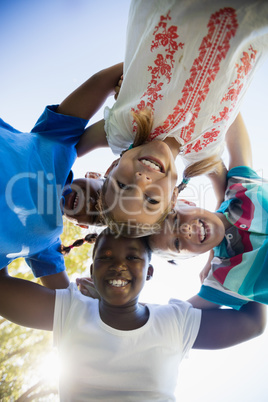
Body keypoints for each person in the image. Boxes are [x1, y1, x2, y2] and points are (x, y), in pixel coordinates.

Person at [74, 0, 268, 235]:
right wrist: (212, 249)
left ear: (112, 166)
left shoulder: (123, 127)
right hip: (250, 20)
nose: (141, 180)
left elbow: (68, 147)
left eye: (122, 185)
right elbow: (222, 195)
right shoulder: (203, 154)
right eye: (151, 200)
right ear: (173, 197)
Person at [0, 229, 266, 401]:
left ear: (149, 272)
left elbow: (253, 322)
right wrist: (39, 232)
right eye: (105, 258)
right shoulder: (71, 310)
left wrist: (232, 248)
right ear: (92, 271)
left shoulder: (174, 323)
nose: (118, 265)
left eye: (133, 258)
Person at [1, 62, 123, 290]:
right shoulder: (59, 142)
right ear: (96, 174)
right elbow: (102, 81)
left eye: (96, 215)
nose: (90, 204)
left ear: (84, 227)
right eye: (100, 193)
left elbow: (65, 300)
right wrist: (133, 79)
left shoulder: (46, 243)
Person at [148, 110, 268, 310]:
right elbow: (173, 316)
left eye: (175, 219)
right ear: (190, 258)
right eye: (176, 243)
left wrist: (209, 101)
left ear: (187, 202)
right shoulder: (220, 281)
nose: (184, 231)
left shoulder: (240, 188)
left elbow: (232, 115)